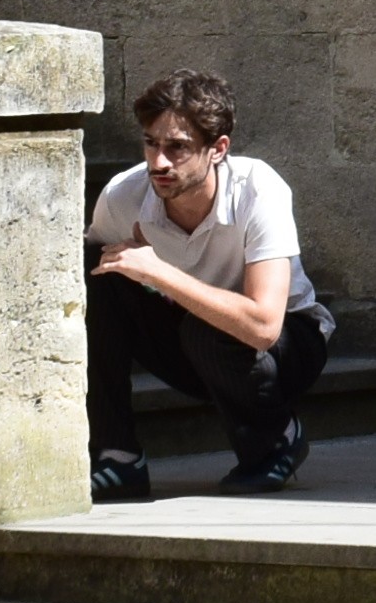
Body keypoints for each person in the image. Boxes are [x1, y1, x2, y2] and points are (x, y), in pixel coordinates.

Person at [85, 71, 332, 501]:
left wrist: (157, 273)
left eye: (177, 147)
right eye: (150, 143)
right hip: (190, 344)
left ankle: (276, 440)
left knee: (207, 329)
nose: (159, 162)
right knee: (96, 275)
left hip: (286, 347)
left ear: (218, 149)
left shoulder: (257, 190)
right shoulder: (123, 196)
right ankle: (118, 456)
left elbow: (264, 326)